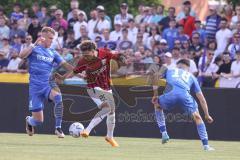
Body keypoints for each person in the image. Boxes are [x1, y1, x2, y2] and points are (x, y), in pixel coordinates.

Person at [64, 40, 126, 147]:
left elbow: (117, 57)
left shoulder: (105, 53)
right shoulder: (83, 61)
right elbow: (74, 72)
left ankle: (109, 137)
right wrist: (62, 78)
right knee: (107, 108)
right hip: (93, 88)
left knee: (111, 113)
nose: (85, 57)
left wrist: (121, 59)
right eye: (83, 55)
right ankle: (87, 130)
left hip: (106, 87)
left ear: (93, 51)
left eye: (87, 54)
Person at [19, 27, 73, 138]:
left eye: (53, 39)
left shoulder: (53, 52)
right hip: (35, 88)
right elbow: (21, 55)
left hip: (47, 85)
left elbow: (66, 65)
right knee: (39, 121)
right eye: (50, 38)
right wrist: (34, 43)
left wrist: (78, 71)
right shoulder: (34, 49)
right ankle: (29, 121)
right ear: (42, 38)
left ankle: (58, 128)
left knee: (58, 96)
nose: (52, 41)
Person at [150, 59, 214, 151]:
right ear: (188, 68)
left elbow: (155, 77)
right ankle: (206, 146)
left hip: (170, 95)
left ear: (177, 66)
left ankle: (164, 132)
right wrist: (207, 115)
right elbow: (201, 98)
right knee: (197, 117)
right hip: (184, 95)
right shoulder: (192, 77)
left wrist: (155, 95)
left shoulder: (169, 71)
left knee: (157, 105)